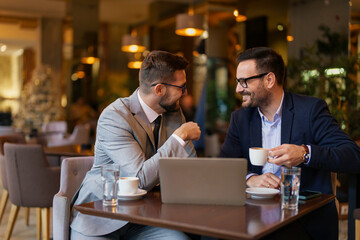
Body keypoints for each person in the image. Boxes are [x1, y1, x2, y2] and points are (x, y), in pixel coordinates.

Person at [219, 47, 360, 240]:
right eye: (238, 82)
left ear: (269, 80)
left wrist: (305, 153)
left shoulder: (310, 111)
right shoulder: (240, 118)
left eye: (244, 81)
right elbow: (224, 166)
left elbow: (352, 155)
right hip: (250, 215)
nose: (237, 89)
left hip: (301, 217)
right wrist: (250, 178)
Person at [71, 50, 201, 239]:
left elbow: (190, 166)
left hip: (144, 218)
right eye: (182, 87)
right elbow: (138, 178)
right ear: (159, 90)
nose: (186, 92)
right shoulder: (114, 117)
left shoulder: (173, 113)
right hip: (101, 217)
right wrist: (179, 137)